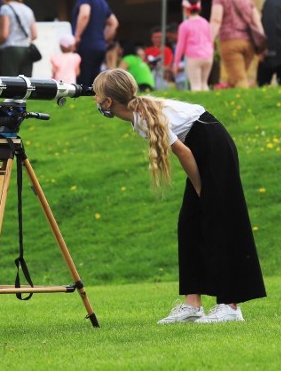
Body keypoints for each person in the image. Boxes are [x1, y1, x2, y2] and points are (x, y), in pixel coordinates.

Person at [92, 69, 265, 324]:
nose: (94, 100)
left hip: (211, 145)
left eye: (97, 95)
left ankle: (230, 306)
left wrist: (201, 189)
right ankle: (192, 305)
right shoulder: (139, 113)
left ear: (108, 102)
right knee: (189, 224)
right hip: (201, 147)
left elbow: (183, 152)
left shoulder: (142, 117)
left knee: (219, 222)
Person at [210, 0, 264, 88]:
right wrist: (261, 40)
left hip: (230, 43)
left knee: (240, 80)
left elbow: (216, 19)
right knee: (235, 78)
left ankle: (250, 104)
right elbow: (256, 19)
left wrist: (209, 40)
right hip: (249, 43)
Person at [72, 0, 118, 86]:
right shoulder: (101, 0)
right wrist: (103, 39)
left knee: (84, 81)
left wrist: (77, 36)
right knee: (95, 81)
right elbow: (114, 23)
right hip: (99, 46)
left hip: (86, 44)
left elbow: (85, 14)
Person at [0, 0, 37, 76]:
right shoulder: (27, 9)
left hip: (10, 50)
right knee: (25, 84)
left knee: (10, 84)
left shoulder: (5, 9)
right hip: (26, 50)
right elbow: (34, 35)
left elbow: (4, 34)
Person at [173, 0, 213, 91]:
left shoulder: (184, 25)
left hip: (193, 57)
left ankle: (198, 105)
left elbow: (180, 45)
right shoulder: (205, 22)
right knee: (204, 84)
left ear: (186, 9)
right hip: (208, 56)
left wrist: (176, 63)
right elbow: (210, 40)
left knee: (196, 85)